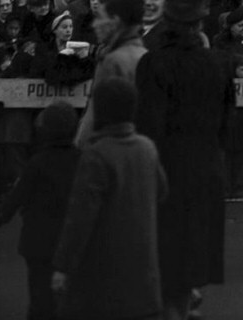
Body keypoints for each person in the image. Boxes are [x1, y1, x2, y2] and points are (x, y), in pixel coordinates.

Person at [135, 0, 235, 320]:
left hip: (168, 170)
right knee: (195, 248)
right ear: (200, 23)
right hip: (207, 166)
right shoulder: (219, 64)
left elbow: (148, 126)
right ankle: (189, 298)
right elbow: (226, 123)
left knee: (168, 255)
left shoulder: (154, 64)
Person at [52, 76, 165, 320]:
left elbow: (80, 216)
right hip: (143, 269)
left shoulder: (97, 154)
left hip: (104, 270)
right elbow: (162, 191)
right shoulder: (147, 148)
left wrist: (63, 265)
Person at [0, 99, 82, 320]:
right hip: (68, 235)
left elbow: (18, 195)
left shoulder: (38, 162)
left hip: (37, 239)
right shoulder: (81, 159)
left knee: (39, 294)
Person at [78, 0, 147, 146]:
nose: (95, 24)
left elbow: (94, 115)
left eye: (100, 18)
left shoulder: (112, 61)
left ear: (114, 22)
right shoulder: (143, 54)